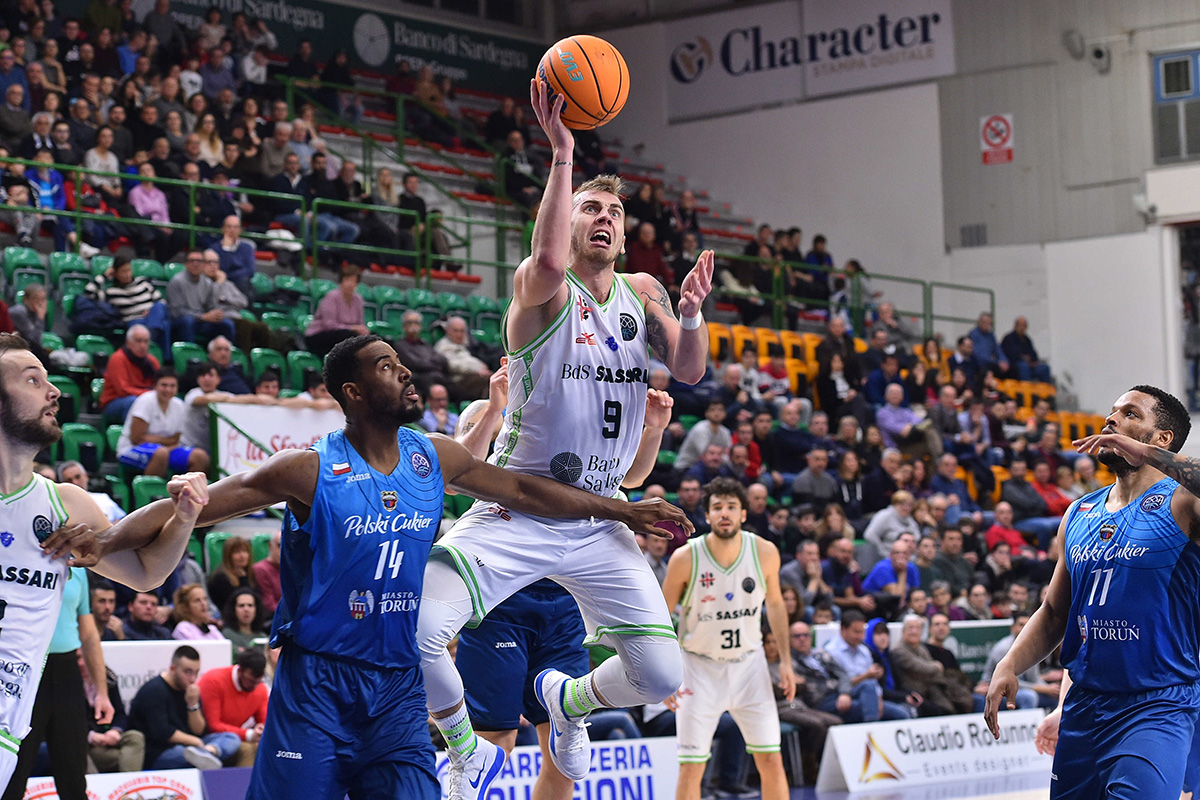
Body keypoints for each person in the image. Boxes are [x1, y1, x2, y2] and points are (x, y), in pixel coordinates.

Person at [59, 332, 691, 800]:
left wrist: (623, 510)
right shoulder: (306, 468)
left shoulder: (435, 457)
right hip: (317, 683)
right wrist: (107, 537)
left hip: (395, 690)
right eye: (389, 368)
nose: (407, 374)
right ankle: (466, 746)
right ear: (355, 393)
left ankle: (466, 747)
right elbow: (197, 507)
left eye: (403, 363)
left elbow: (529, 492)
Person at [417, 80, 714, 800]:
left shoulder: (643, 291)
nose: (605, 216)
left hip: (598, 515)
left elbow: (688, 368)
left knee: (662, 675)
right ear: (566, 219)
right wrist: (561, 157)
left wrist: (694, 314)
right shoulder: (541, 288)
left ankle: (568, 703)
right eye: (590, 207)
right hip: (517, 506)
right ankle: (462, 749)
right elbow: (547, 262)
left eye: (614, 209)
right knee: (417, 630)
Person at [0, 333, 208, 793]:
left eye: (50, 379)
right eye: (33, 380)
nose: (54, 391)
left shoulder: (67, 504)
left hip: (9, 728)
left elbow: (148, 573)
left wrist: (184, 518)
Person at [454, 368, 674, 800]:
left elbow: (628, 479)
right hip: (504, 603)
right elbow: (465, 470)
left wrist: (653, 431)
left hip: (563, 605)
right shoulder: (496, 410)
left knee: (562, 758)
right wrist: (497, 407)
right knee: (494, 739)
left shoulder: (589, 418)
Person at [985, 385, 1200, 798]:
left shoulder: (1183, 503)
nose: (1112, 419)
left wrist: (1150, 458)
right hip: (1085, 705)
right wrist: (1009, 663)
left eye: (1130, 414)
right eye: (1113, 411)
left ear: (1163, 439)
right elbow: (1053, 612)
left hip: (1155, 705)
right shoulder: (1079, 512)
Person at [661, 478, 793, 800]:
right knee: (691, 767)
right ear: (707, 515)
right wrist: (663, 675)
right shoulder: (686, 558)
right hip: (698, 668)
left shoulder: (764, 552)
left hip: (750, 666)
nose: (724, 514)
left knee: (771, 760)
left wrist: (786, 662)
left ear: (743, 514)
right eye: (717, 507)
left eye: (731, 507)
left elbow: (775, 604)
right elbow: (661, 617)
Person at [1, 565, 112, 800]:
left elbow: (89, 634)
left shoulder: (77, 570)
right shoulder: (16, 558)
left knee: (73, 770)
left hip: (66, 671)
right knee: (13, 771)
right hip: (22, 670)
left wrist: (102, 693)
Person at [128, 645, 241, 771]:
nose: (192, 679)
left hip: (191, 745)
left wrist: (192, 705)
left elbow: (199, 731)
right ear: (173, 668)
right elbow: (163, 732)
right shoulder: (154, 690)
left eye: (196, 673)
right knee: (183, 753)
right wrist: (196, 742)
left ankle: (209, 752)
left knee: (232, 738)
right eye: (187, 672)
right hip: (159, 750)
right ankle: (205, 756)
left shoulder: (191, 690)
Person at [115, 366, 211, 477]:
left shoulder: (179, 405)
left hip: (166, 449)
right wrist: (165, 442)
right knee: (161, 454)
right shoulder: (145, 401)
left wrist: (155, 440)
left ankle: (187, 492)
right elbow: (136, 438)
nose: (168, 390)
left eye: (172, 386)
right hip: (130, 448)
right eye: (164, 385)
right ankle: (154, 493)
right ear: (155, 386)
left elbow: (175, 439)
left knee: (200, 457)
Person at [197, 649, 269, 768]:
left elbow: (263, 720)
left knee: (261, 746)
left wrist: (261, 729)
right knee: (245, 747)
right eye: (251, 681)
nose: (255, 686)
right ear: (240, 670)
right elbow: (213, 725)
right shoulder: (213, 680)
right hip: (205, 737)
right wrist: (249, 735)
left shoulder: (260, 689)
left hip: (231, 737)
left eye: (259, 681)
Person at [83, 652, 144, 773]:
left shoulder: (109, 679)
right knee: (125, 757)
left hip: (108, 738)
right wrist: (91, 736)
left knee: (135, 737)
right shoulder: (68, 683)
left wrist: (115, 731)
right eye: (78, 658)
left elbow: (120, 713)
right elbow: (65, 723)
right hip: (85, 743)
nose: (81, 663)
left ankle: (128, 787)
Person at [56, 460, 125, 523]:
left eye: (78, 477)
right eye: (69, 480)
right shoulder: (59, 508)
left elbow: (123, 519)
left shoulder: (103, 498)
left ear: (86, 477)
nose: (75, 482)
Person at [250, 532, 281, 618]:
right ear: (271, 546)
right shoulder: (260, 569)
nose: (284, 550)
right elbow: (269, 605)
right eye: (279, 545)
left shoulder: (292, 568)